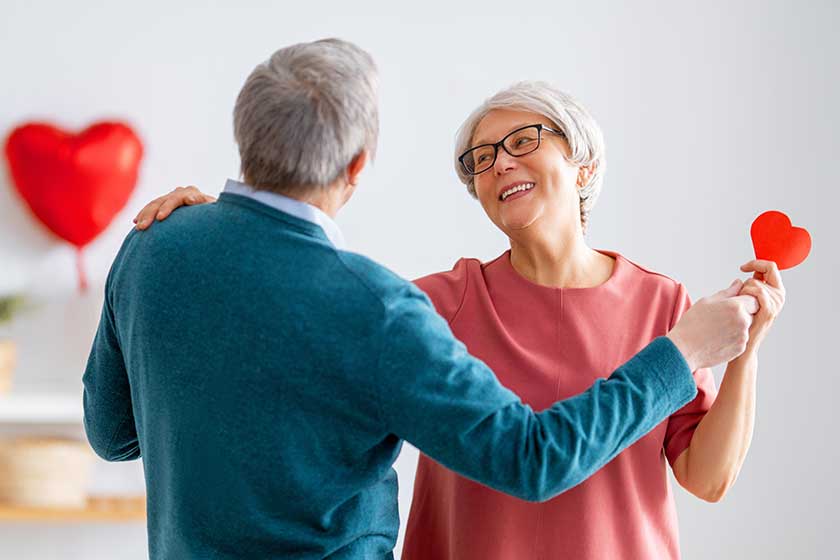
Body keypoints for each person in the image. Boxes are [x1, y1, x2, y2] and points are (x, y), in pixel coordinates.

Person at [90, 39, 757, 559]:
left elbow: (113, 435)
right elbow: (532, 459)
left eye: (524, 142)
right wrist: (684, 353)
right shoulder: (390, 307)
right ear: (358, 166)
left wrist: (213, 243)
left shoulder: (152, 245)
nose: (500, 163)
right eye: (482, 156)